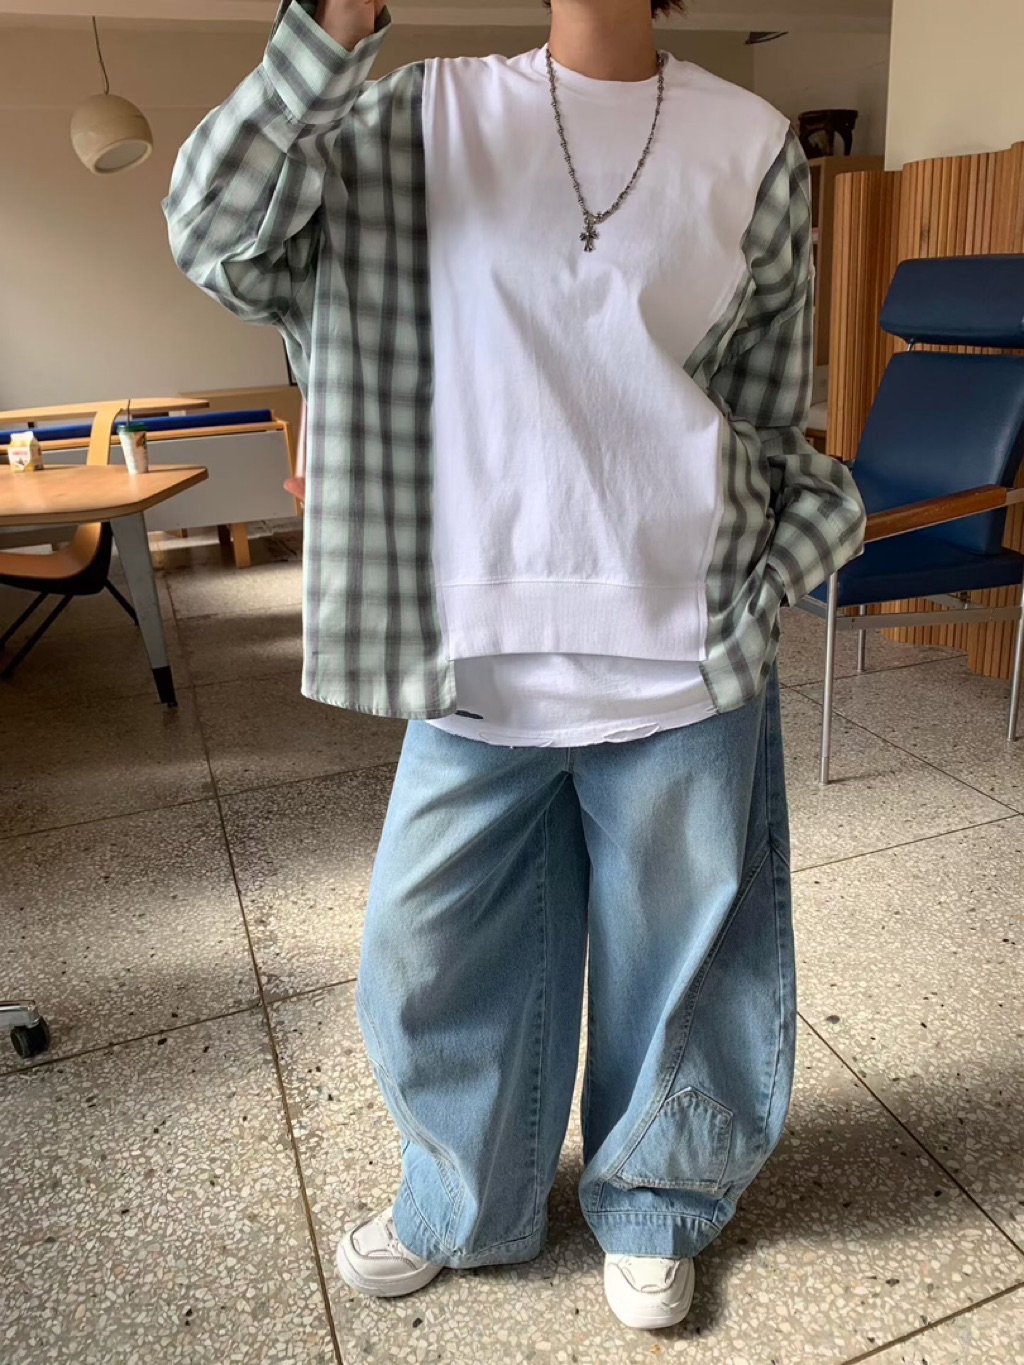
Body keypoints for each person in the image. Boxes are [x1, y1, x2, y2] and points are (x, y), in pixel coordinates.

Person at [166, 0, 865, 1332]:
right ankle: (464, 1199)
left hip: (681, 641)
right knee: (423, 957)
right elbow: (214, 230)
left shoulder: (751, 140)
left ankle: (656, 1198)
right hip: (469, 652)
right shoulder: (416, 114)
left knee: (683, 962)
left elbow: (770, 404)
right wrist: (333, 23)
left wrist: (766, 567)